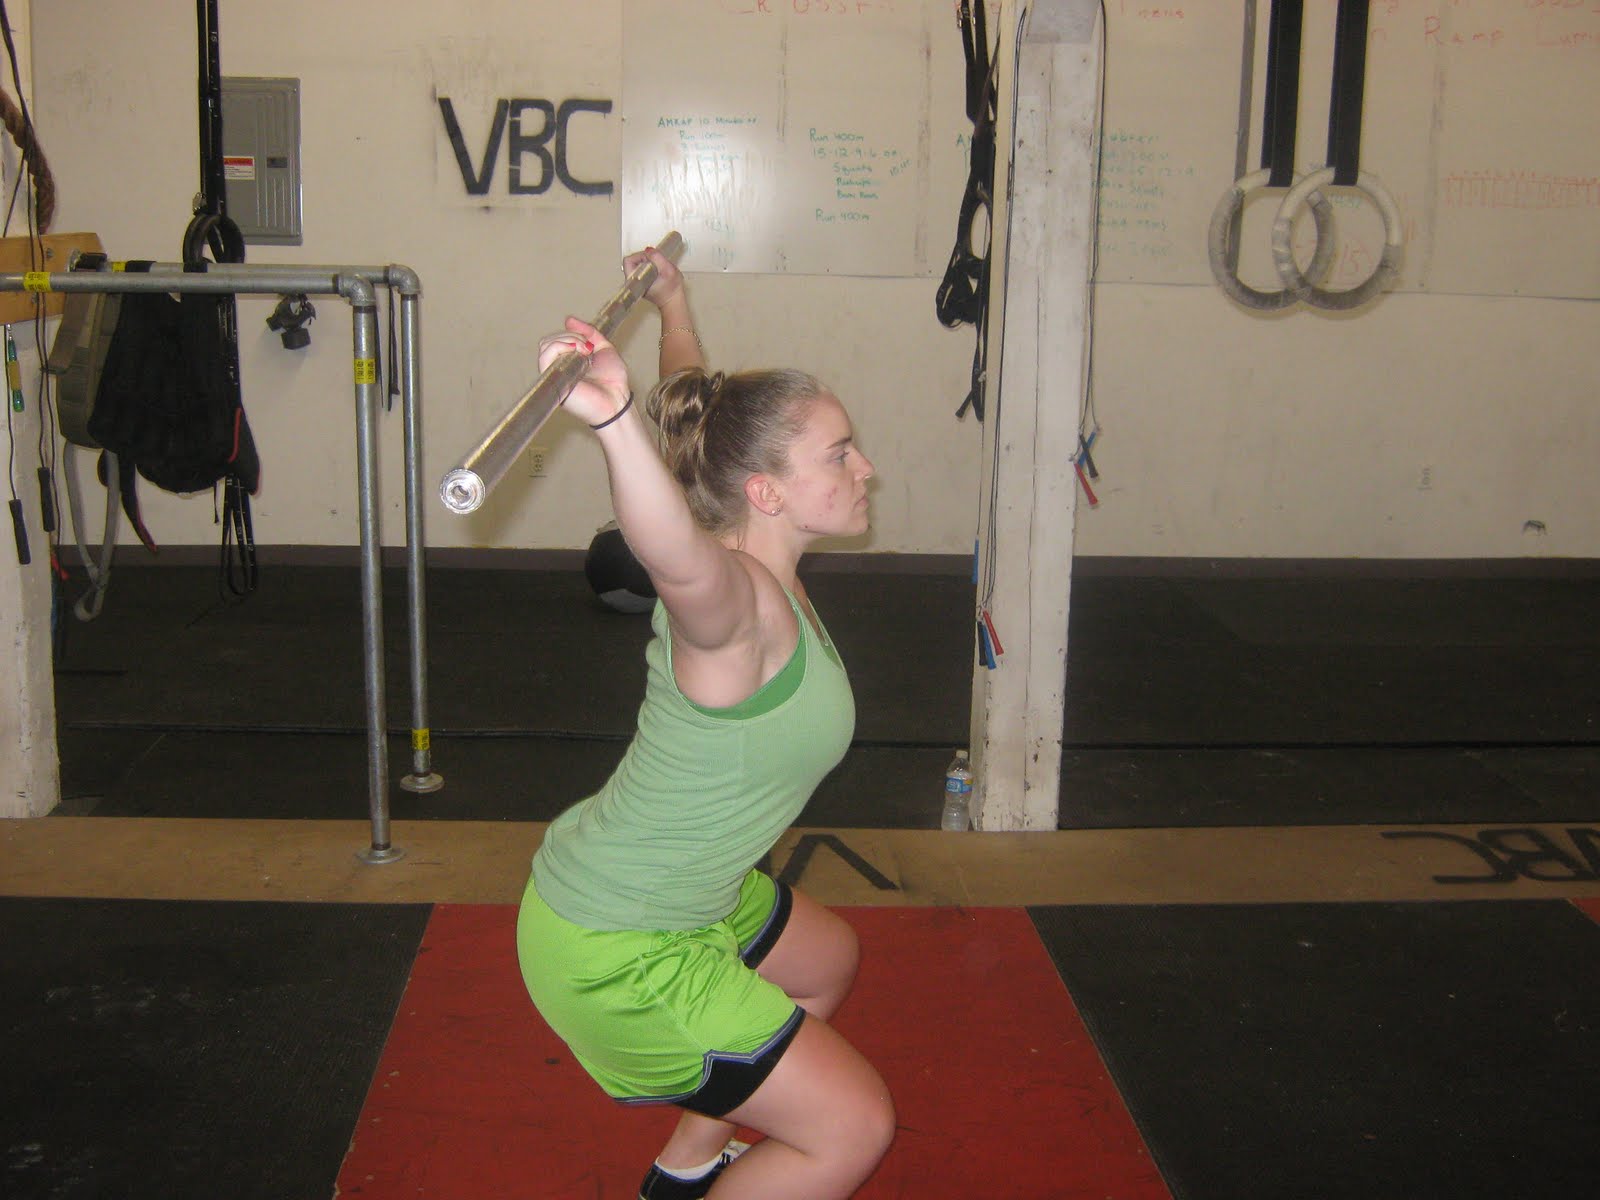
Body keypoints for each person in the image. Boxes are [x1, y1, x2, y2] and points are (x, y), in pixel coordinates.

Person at [516, 246, 894, 1200]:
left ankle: (685, 1167)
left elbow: (696, 411)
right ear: (767, 492)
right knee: (853, 1128)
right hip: (621, 942)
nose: (866, 468)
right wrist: (611, 423)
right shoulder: (735, 608)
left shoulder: (736, 517)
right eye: (839, 454)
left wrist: (672, 304)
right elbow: (677, 561)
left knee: (827, 961)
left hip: (675, 888)